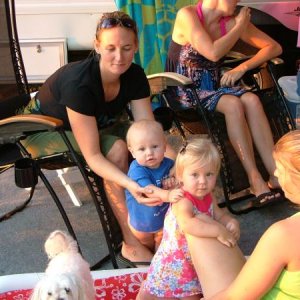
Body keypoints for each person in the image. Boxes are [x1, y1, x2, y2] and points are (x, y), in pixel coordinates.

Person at [20, 11, 175, 265]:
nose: (119, 56)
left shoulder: (134, 75)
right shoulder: (80, 83)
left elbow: (150, 132)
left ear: (135, 46)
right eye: (110, 48)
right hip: (42, 130)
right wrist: (131, 185)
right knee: (116, 149)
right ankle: (131, 242)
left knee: (146, 146)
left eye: (126, 48)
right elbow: (93, 156)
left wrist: (177, 167)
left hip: (99, 124)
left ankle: (158, 226)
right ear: (97, 46)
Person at [165, 0, 283, 205]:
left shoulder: (229, 22)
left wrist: (243, 67)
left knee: (252, 100)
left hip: (214, 89)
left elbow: (275, 47)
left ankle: (275, 174)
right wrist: (239, 26)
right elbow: (212, 52)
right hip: (185, 90)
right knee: (233, 104)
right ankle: (254, 179)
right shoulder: (188, 15)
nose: (238, 1)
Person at [137, 138, 245, 300]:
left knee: (192, 291)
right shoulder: (183, 200)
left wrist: (230, 222)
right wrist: (218, 230)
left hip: (195, 260)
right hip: (176, 261)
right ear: (180, 176)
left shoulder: (208, 196)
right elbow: (188, 224)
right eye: (195, 175)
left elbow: (219, 214)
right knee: (162, 291)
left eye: (209, 174)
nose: (202, 181)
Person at [203, 129, 300, 299]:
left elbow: (235, 297)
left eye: (281, 169)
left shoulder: (285, 235)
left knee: (199, 233)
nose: (276, 173)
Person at [125, 119, 180, 253]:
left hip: (162, 218)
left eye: (155, 146)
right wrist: (168, 195)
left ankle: (159, 262)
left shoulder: (168, 164)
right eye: (142, 149)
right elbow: (149, 190)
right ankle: (148, 260)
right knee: (146, 246)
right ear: (132, 152)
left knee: (161, 245)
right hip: (141, 222)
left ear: (164, 146)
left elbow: (179, 175)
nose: (149, 152)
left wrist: (173, 180)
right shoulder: (136, 170)